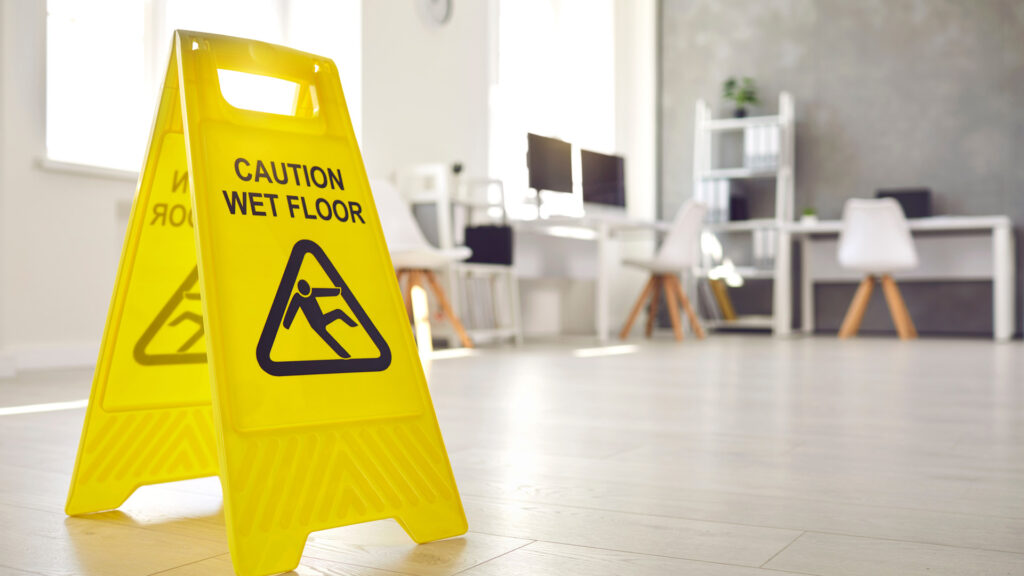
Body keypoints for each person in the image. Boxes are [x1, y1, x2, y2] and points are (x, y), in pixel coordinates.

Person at [282, 279, 358, 358]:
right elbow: (291, 311)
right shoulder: (297, 298)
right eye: (304, 287)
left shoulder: (312, 292)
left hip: (322, 318)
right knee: (328, 337)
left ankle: (355, 325)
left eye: (307, 286)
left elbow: (325, 292)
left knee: (338, 312)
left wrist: (338, 291)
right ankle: (344, 354)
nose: (306, 289)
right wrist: (286, 324)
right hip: (315, 324)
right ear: (300, 289)